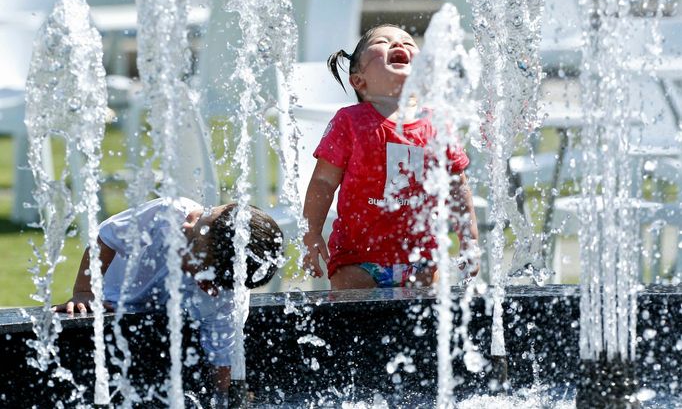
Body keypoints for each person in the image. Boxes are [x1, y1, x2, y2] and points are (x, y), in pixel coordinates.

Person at [53, 196, 282, 404]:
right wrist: (85, 291)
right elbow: (107, 237)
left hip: (154, 317)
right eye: (200, 215)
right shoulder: (169, 213)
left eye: (192, 243)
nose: (186, 224)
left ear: (207, 284)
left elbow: (222, 351)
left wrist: (224, 395)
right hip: (112, 300)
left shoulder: (224, 300)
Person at [302, 24, 480, 290]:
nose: (398, 44)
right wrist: (312, 233)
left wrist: (469, 240)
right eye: (383, 42)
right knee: (354, 313)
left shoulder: (437, 123)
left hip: (420, 258)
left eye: (408, 43)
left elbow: (457, 185)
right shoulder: (349, 122)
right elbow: (323, 183)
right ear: (359, 80)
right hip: (357, 259)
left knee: (422, 322)